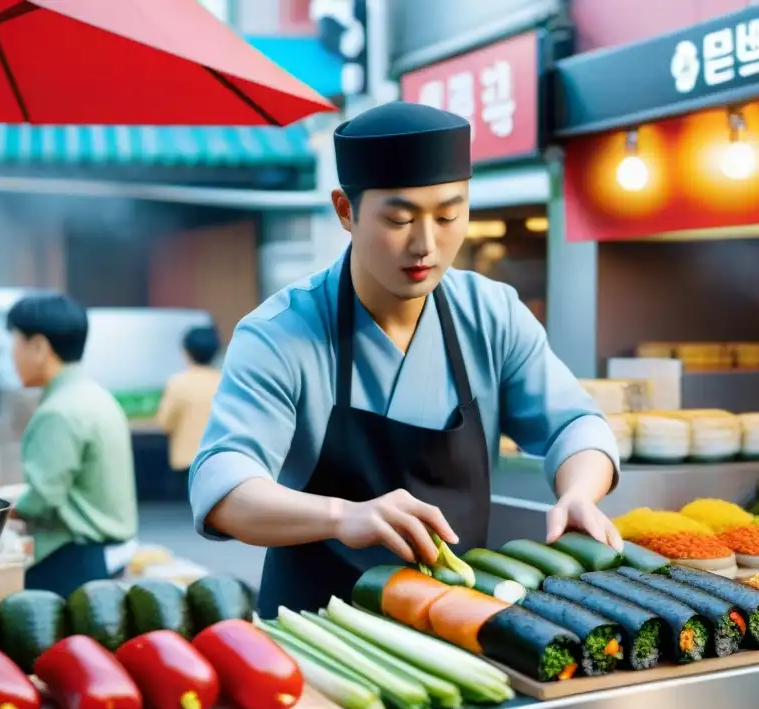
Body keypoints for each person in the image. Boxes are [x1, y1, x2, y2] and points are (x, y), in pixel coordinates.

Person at [190, 102, 622, 617]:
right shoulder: (280, 333)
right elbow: (223, 486)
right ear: (345, 210)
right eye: (398, 219)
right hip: (318, 631)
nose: (426, 245)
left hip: (460, 621)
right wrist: (340, 516)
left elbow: (574, 425)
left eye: (447, 215)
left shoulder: (491, 313)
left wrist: (579, 492)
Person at [7, 293, 138, 598]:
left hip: (71, 559)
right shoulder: (95, 395)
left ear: (38, 347)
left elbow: (42, 497)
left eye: (15, 342)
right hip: (102, 554)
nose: (12, 354)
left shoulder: (59, 410)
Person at [156, 325, 223, 497]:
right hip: (221, 461)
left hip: (186, 462)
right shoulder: (226, 382)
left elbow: (165, 424)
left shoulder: (178, 383)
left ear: (186, 352)